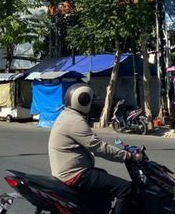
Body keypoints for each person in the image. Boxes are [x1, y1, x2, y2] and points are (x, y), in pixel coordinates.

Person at [48, 83, 142, 214]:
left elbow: (92, 144)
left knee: (103, 178)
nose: (92, 104)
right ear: (83, 101)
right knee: (126, 189)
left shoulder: (66, 115)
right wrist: (127, 156)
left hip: (68, 172)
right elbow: (98, 147)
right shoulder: (75, 121)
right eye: (90, 100)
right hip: (75, 174)